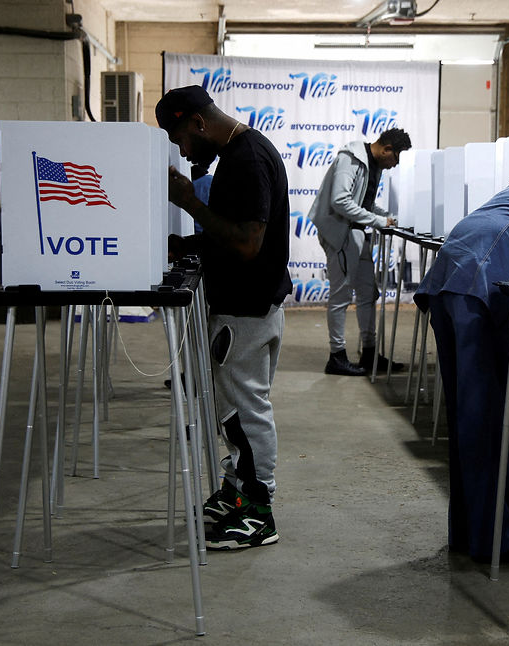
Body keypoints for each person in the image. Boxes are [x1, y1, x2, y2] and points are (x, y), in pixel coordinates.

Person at [156, 85, 291, 550]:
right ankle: (238, 493)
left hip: (247, 308)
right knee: (233, 411)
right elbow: (232, 232)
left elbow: (248, 243)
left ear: (196, 123)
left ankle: (259, 511)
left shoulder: (247, 158)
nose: (183, 151)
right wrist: (189, 245)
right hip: (248, 303)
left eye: (180, 140)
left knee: (245, 413)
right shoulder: (238, 153)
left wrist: (190, 204)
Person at [414, 169, 509, 564]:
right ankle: (495, 541)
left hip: (454, 263)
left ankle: (469, 531)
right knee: (485, 417)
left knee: (467, 415)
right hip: (482, 276)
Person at [308, 128, 413, 376]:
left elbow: (363, 203)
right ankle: (337, 356)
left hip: (355, 233)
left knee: (368, 293)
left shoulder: (371, 165)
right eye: (394, 159)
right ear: (387, 149)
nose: (393, 166)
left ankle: (369, 353)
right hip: (341, 234)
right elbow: (341, 201)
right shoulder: (351, 159)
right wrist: (380, 222)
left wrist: (387, 217)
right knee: (340, 296)